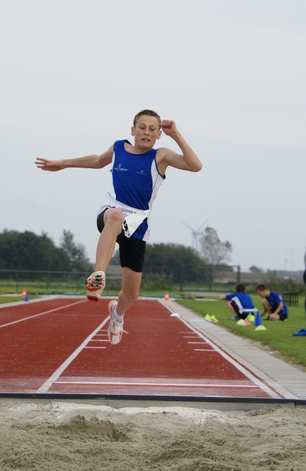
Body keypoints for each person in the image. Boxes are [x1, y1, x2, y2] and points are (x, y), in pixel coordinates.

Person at [36, 110, 202, 345]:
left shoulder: (161, 156)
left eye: (152, 129)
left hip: (138, 224)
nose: (146, 132)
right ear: (132, 130)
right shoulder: (118, 148)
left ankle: (117, 314)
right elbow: (96, 161)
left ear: (158, 134)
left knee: (132, 294)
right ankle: (98, 275)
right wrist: (63, 163)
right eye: (142, 127)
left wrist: (176, 134)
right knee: (114, 215)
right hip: (111, 211)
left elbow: (195, 166)